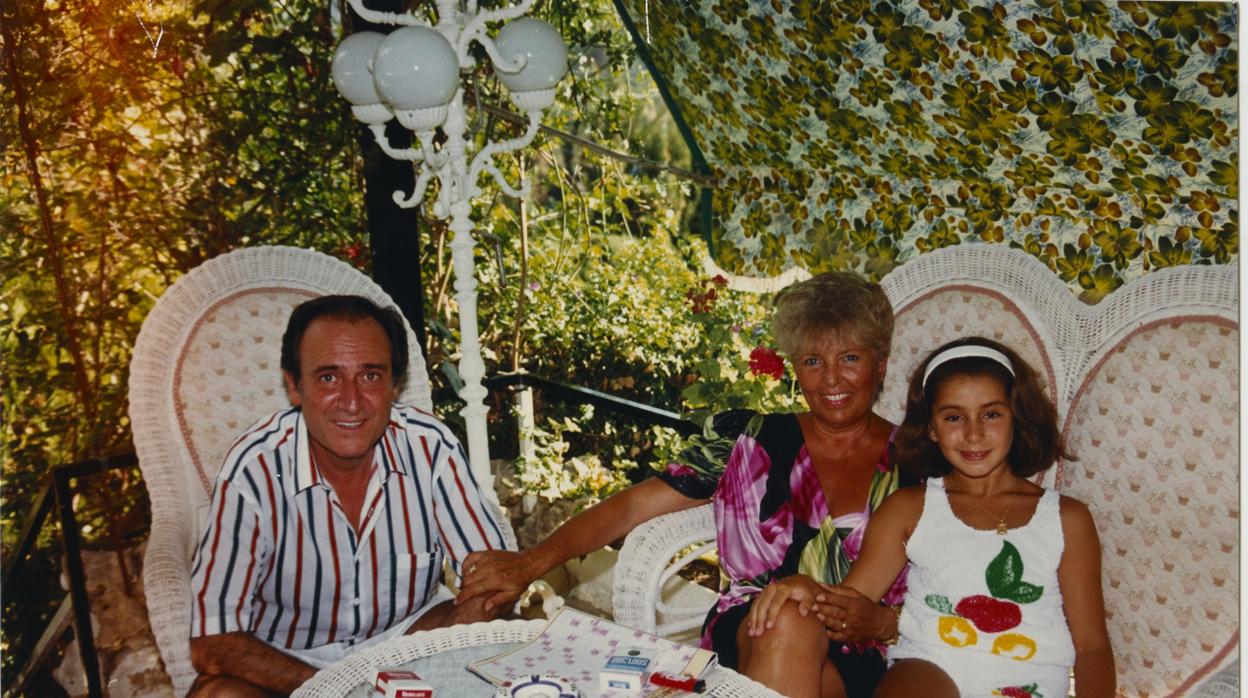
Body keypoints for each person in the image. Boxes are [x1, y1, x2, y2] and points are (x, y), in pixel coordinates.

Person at [457, 272, 914, 698]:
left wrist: (884, 622)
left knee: (795, 630)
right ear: (796, 367)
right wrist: (529, 563)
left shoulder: (918, 461)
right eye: (813, 360)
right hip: (750, 630)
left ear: (880, 365)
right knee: (788, 620)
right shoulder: (752, 441)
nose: (831, 378)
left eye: (849, 358)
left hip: (860, 644)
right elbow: (632, 508)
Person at [755, 337, 1115, 697]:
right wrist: (807, 587)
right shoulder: (910, 507)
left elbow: (1092, 648)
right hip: (929, 667)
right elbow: (851, 603)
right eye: (954, 417)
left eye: (991, 414)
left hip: (1027, 677)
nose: (974, 434)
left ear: (1017, 418)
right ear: (931, 428)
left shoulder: (1066, 518)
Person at [187, 295, 510, 696]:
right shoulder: (253, 471)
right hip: (289, 664)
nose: (352, 401)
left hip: (409, 648)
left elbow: (494, 581)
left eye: (370, 376)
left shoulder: (430, 447)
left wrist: (431, 659)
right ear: (294, 385)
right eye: (328, 377)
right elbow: (212, 641)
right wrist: (339, 690)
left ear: (395, 384)